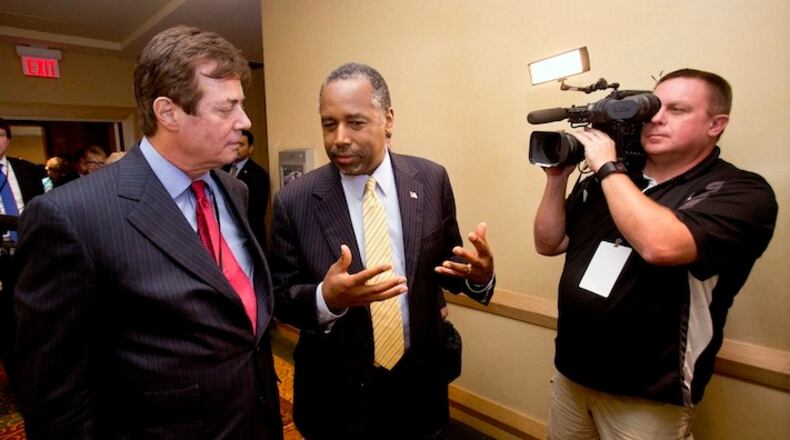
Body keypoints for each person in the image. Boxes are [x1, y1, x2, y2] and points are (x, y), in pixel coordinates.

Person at [13, 26, 282, 439]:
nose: (244, 122)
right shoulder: (70, 217)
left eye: (241, 105)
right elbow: (55, 398)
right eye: (226, 108)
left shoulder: (234, 190)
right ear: (168, 113)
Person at [533, 68, 777, 439]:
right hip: (572, 373)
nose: (657, 118)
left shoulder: (739, 191)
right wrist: (557, 179)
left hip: (649, 392)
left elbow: (660, 246)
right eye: (655, 107)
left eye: (678, 110)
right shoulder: (610, 181)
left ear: (716, 124)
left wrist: (607, 166)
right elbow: (549, 243)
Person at [271, 62, 495, 439]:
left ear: (387, 119)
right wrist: (326, 298)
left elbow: (447, 266)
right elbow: (279, 298)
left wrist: (479, 276)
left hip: (418, 391)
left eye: (355, 123)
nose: (339, 138)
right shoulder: (294, 200)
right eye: (329, 124)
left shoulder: (431, 180)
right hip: (335, 398)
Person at [222, 129, 270, 250]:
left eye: (241, 144)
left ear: (250, 148)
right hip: (226, 235)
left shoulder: (258, 174)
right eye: (234, 144)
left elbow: (255, 213)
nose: (237, 148)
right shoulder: (224, 168)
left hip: (249, 236)